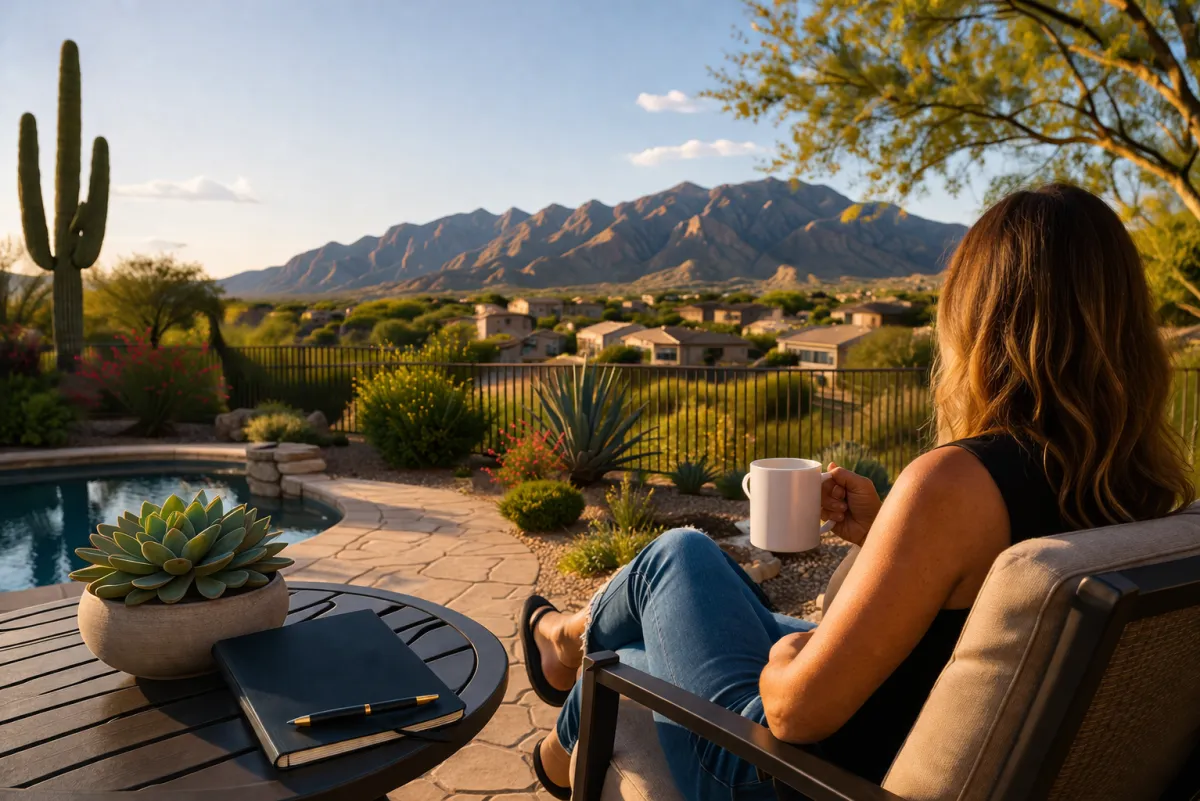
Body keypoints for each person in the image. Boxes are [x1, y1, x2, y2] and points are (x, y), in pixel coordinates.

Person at [520, 184, 1195, 801]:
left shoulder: (958, 480)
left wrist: (787, 658)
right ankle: (558, 734)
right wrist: (884, 534)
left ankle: (562, 642)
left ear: (981, 321)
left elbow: (792, 711)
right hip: (901, 726)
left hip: (801, 774)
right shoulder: (1151, 489)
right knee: (640, 645)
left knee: (677, 557)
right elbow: (979, 609)